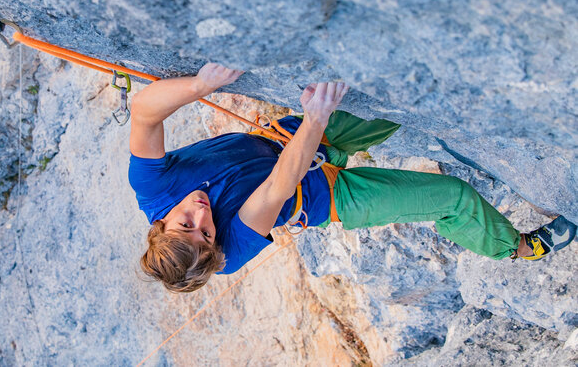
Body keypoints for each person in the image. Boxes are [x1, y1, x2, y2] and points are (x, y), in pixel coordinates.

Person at [128, 63, 577, 293]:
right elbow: (278, 188)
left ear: (160, 225)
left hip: (286, 141)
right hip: (327, 195)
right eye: (206, 233)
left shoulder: (153, 188)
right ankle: (520, 248)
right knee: (453, 197)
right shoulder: (226, 255)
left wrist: (200, 85)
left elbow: (144, 113)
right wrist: (316, 118)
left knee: (401, 106)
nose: (202, 216)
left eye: (187, 223)